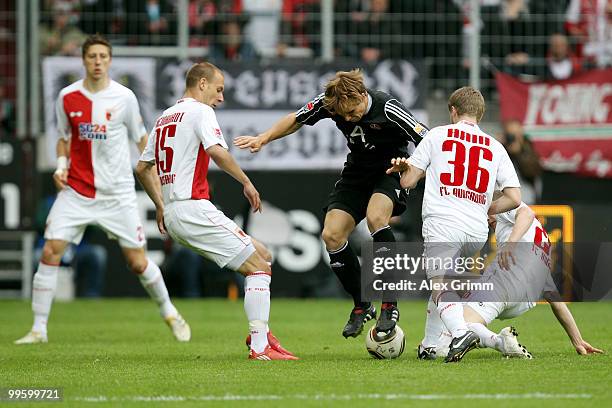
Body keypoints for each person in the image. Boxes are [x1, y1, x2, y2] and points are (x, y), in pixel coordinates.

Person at [15, 34, 190, 345]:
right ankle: (39, 329)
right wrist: (60, 163)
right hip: (77, 191)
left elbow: (141, 140)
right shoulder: (67, 97)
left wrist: (159, 179)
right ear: (84, 59)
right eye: (92, 56)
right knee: (50, 251)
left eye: (103, 57)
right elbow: (63, 136)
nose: (97, 62)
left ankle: (170, 312)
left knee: (137, 262)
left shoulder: (124, 97)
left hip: (117, 193)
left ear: (110, 61)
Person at [234, 69, 428, 338]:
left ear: (362, 95)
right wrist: (264, 138)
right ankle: (361, 305)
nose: (348, 119)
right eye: (344, 116)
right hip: (356, 174)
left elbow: (428, 139)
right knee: (332, 235)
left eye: (352, 112)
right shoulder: (331, 102)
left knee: (376, 218)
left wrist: (412, 167)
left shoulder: (388, 107)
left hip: (390, 171)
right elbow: (297, 118)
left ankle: (389, 304)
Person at [135, 61, 297, 360]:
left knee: (263, 256)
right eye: (219, 89)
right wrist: (246, 182)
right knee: (259, 267)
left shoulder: (164, 118)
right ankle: (259, 347)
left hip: (174, 212)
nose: (221, 98)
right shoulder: (200, 111)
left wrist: (161, 205)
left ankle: (260, 334)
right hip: (193, 208)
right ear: (202, 84)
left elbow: (143, 168)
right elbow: (216, 151)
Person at [386, 86, 522, 362]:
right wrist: (487, 208)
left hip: (444, 222)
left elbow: (408, 181)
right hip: (476, 231)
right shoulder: (495, 146)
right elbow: (515, 197)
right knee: (445, 282)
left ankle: (461, 332)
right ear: (480, 115)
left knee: (439, 285)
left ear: (453, 111)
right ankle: (429, 344)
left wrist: (404, 168)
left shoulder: (437, 135)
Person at [432, 198, 603, 359]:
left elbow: (526, 213)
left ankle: (500, 342)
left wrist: (511, 243)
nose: (486, 220)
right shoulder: (541, 243)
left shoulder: (503, 207)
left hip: (505, 282)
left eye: (486, 215)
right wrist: (577, 340)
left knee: (460, 324)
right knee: (459, 297)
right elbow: (555, 299)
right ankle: (446, 341)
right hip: (524, 301)